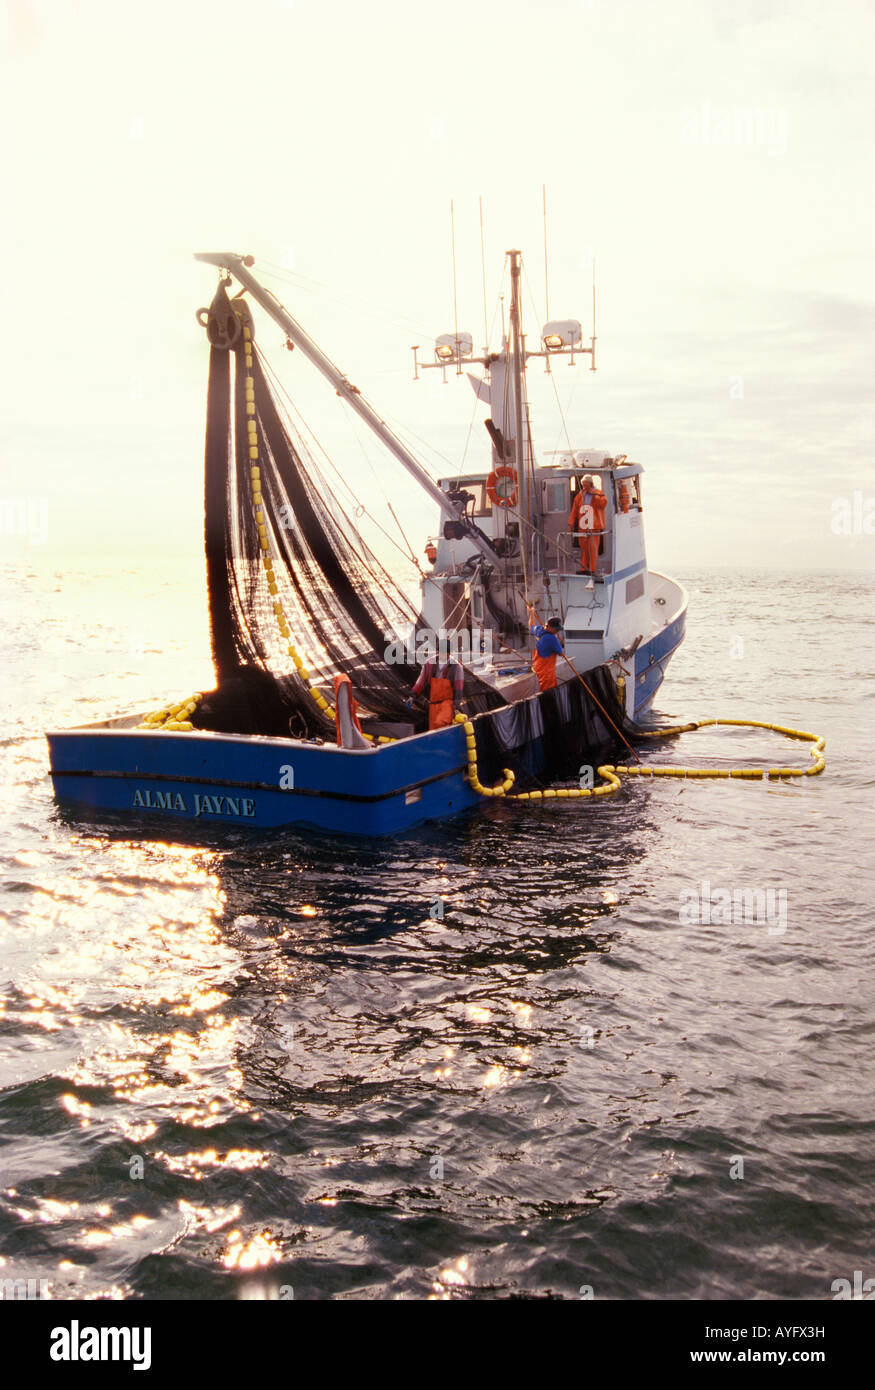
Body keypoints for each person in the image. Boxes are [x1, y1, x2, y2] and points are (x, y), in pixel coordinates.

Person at [407, 658, 464, 730]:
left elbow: (458, 687)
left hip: (446, 704)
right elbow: (421, 681)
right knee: (433, 730)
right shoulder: (429, 663)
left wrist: (456, 707)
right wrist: (412, 696)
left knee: (441, 723)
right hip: (433, 705)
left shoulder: (456, 666)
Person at [568, 473, 607, 574]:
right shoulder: (579, 496)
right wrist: (571, 523)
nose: (584, 486)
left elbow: (602, 504)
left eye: (586, 484)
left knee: (593, 549)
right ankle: (584, 568)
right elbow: (574, 510)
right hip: (583, 526)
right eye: (583, 484)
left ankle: (592, 569)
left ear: (590, 484)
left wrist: (594, 495)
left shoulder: (599, 493)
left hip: (594, 527)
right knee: (584, 549)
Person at [527, 606, 564, 691]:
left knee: (539, 691)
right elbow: (561, 653)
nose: (557, 631)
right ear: (550, 627)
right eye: (556, 629)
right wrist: (559, 642)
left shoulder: (539, 630)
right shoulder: (552, 638)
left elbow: (531, 626)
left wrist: (531, 614)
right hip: (547, 674)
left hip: (537, 669)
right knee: (548, 693)